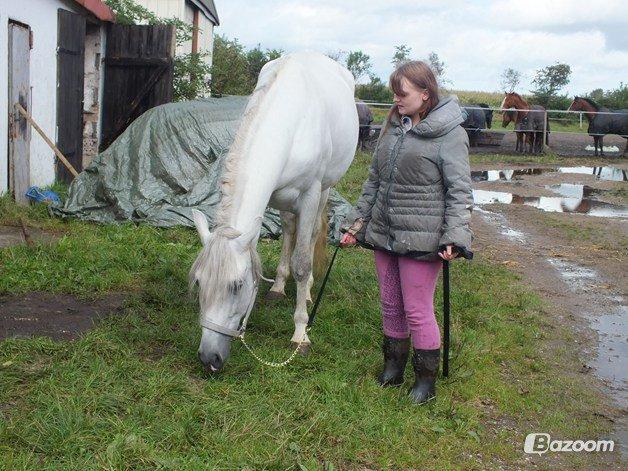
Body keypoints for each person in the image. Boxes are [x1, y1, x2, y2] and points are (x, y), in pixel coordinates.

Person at [339, 61, 473, 404]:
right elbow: (374, 181)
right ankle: (393, 367)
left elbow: (460, 191)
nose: (396, 99)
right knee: (390, 303)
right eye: (394, 93)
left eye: (403, 93)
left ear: (425, 94)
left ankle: (425, 381)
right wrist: (357, 223)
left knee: (416, 308)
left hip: (423, 237)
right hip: (385, 231)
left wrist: (454, 237)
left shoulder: (450, 134)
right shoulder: (394, 128)